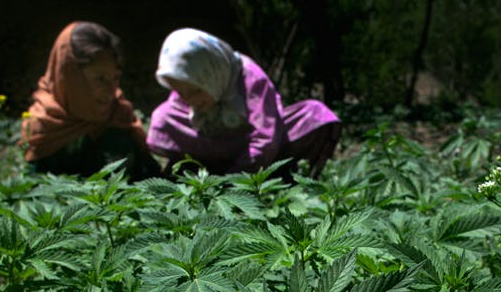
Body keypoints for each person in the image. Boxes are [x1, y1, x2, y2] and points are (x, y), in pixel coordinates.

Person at [147, 28, 341, 178]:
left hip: (252, 147)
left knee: (316, 115)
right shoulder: (188, 86)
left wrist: (235, 181)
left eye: (196, 91)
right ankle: (193, 169)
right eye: (182, 93)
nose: (189, 100)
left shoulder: (249, 77)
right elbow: (174, 116)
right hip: (210, 141)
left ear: (211, 74)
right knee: (163, 117)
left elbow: (266, 136)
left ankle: (281, 173)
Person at [21, 21, 159, 180]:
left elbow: (150, 178)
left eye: (115, 78)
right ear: (70, 77)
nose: (111, 90)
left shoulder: (119, 117)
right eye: (100, 79)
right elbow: (36, 193)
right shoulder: (46, 126)